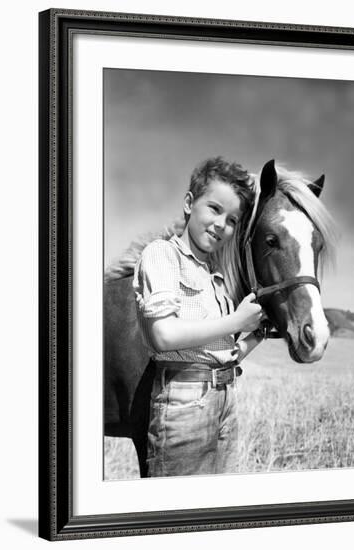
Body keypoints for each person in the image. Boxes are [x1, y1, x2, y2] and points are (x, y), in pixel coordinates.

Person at [133, 157, 265, 477]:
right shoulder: (162, 254)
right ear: (190, 203)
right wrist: (236, 322)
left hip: (224, 400)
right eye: (215, 209)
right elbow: (162, 335)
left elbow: (222, 354)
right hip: (184, 403)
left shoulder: (214, 277)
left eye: (232, 220)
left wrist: (254, 334)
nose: (222, 225)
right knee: (178, 509)